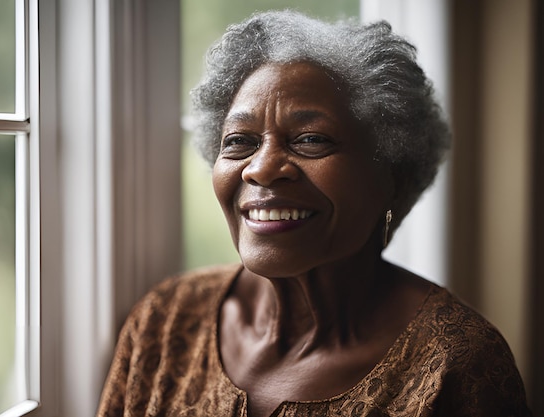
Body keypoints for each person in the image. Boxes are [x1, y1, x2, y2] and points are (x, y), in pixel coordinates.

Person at [96, 10, 531, 417]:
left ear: (391, 177)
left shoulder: (457, 362)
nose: (262, 168)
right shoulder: (165, 320)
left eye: (310, 140)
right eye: (238, 141)